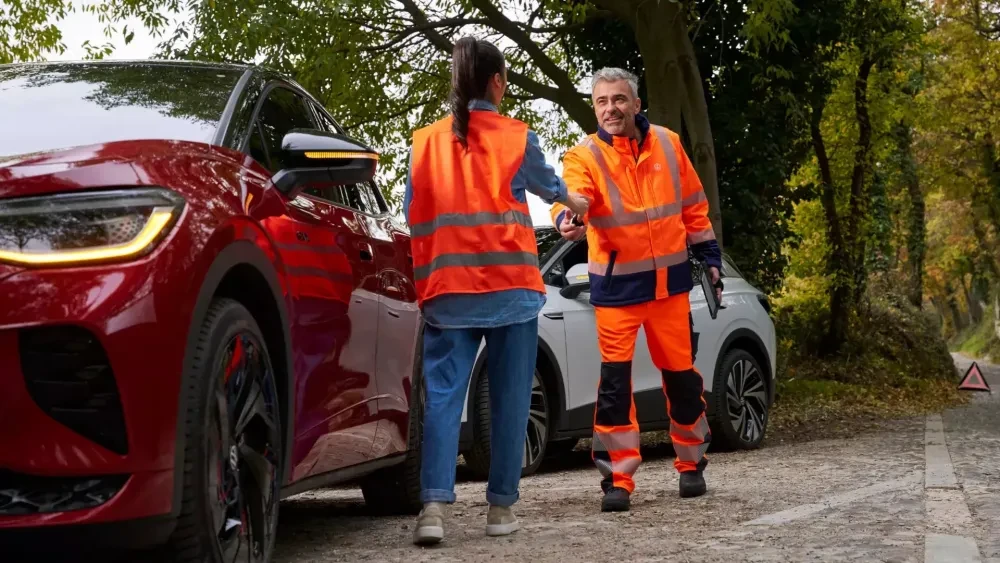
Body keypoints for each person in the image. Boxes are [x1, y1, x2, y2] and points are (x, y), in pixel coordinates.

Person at [403, 36, 590, 545]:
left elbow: (410, 214)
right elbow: (552, 187)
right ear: (497, 82)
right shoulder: (514, 137)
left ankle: (433, 512)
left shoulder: (424, 143)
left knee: (442, 401)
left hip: (448, 292)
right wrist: (582, 203)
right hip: (510, 290)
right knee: (510, 399)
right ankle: (500, 509)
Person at [548, 67, 722, 513]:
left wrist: (713, 261)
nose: (611, 108)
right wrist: (568, 217)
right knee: (614, 386)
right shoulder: (583, 156)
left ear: (636, 104)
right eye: (603, 101)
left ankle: (691, 465)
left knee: (682, 380)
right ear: (594, 107)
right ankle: (617, 480)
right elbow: (570, 197)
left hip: (669, 288)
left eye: (619, 99)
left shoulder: (668, 143)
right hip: (616, 292)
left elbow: (694, 208)